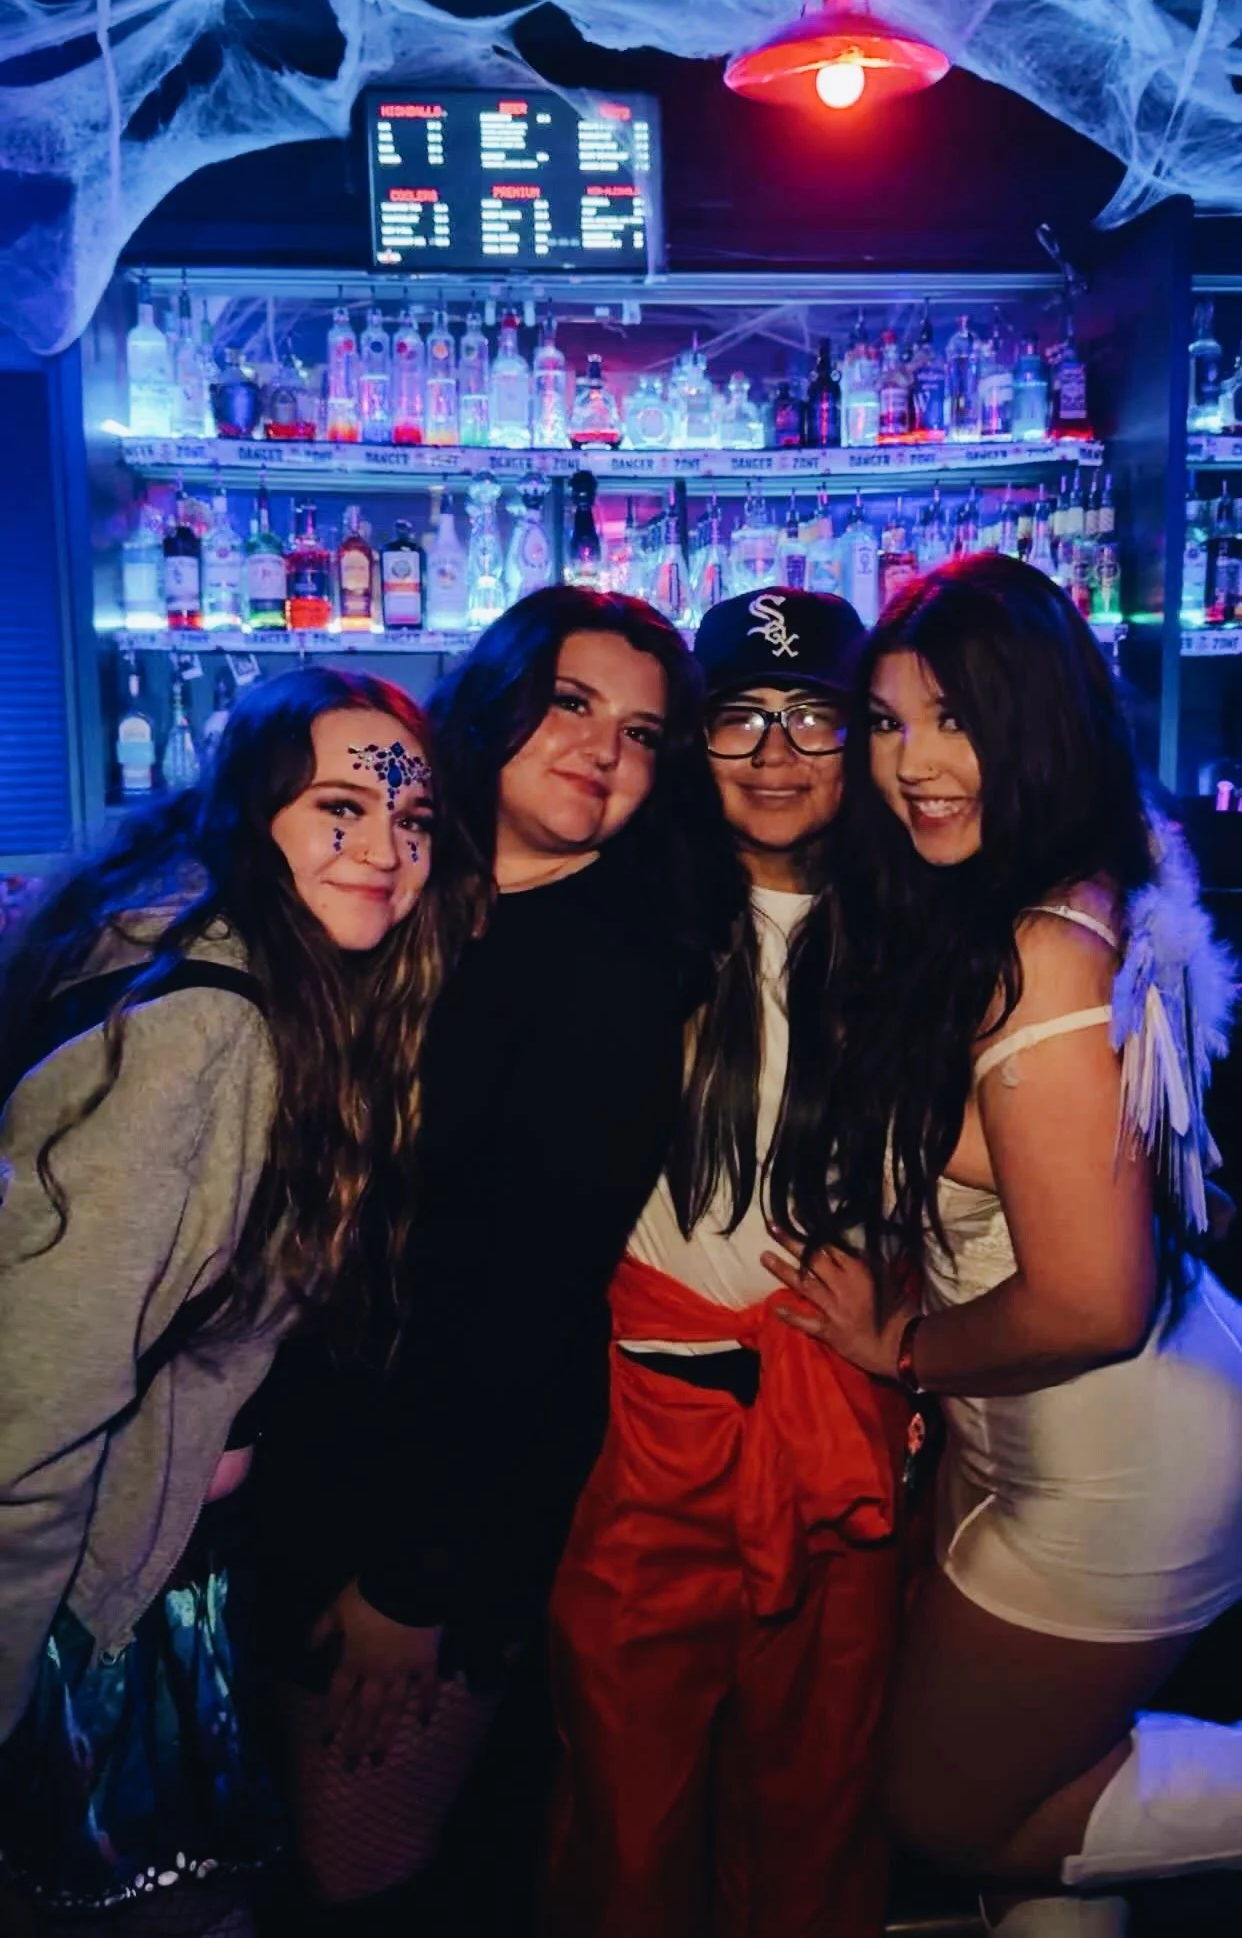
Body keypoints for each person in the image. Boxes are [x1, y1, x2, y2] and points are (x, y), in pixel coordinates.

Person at [763, 555, 1242, 1938]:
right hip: (1046, 1438)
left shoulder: (1045, 949)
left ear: (1032, 719)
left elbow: (1092, 1299)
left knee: (950, 1809)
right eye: (891, 722)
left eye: (955, 721)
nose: (913, 764)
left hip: (1115, 1458)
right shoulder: (1088, 873)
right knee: (1029, 1820)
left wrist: (900, 1346)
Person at [253, 587, 732, 1923]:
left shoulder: (607, 974)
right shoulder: (403, 882)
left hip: (437, 1508)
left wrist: (416, 1583)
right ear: (496, 699)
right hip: (316, 1452)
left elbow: (523, 1308)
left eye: (641, 736)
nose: (601, 749)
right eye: (572, 704)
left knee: (372, 1877)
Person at [0, 667, 473, 1936]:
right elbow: (28, 1418)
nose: (385, 849)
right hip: (80, 1613)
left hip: (142, 1574)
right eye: (339, 810)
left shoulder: (206, 945)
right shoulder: (205, 1034)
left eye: (414, 820)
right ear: (253, 814)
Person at [546, 588, 910, 1938]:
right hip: (647, 1426)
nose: (771, 752)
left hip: (837, 1424)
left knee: (818, 1807)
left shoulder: (923, 933)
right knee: (627, 1822)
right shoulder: (625, 919)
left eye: (810, 714)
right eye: (736, 718)